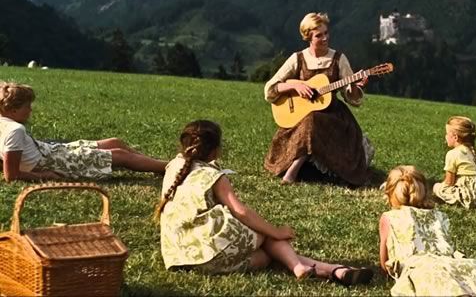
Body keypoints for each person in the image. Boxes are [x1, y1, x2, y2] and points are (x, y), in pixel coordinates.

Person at [157, 119, 373, 284]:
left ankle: (331, 270)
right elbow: (241, 212)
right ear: (215, 150)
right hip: (210, 250)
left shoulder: (173, 167)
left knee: (263, 257)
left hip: (181, 256)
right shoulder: (214, 176)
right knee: (265, 235)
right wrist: (276, 231)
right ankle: (311, 267)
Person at [263, 12, 373, 185]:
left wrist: (355, 86)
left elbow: (352, 98)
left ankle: (293, 171)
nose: (325, 38)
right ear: (308, 37)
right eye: (319, 35)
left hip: (333, 118)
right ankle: (297, 166)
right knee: (310, 119)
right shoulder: (297, 58)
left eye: (326, 33)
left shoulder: (339, 59)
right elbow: (270, 89)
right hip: (300, 117)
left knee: (313, 120)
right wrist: (295, 85)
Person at [0, 82, 167, 182]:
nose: (30, 110)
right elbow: (11, 175)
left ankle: (157, 166)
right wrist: (46, 175)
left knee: (114, 142)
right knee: (120, 155)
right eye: (27, 106)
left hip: (50, 151)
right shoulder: (16, 130)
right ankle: (172, 167)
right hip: (53, 162)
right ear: (13, 110)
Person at [380, 165, 476, 296]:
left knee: (447, 290)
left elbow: (385, 263)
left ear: (390, 192)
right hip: (454, 263)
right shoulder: (439, 216)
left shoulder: (389, 218)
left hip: (423, 270)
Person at [433, 116, 476, 208]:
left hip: (470, 196)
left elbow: (449, 182)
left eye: (447, 134)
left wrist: (440, 187)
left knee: (437, 187)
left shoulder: (452, 154)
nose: (445, 136)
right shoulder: (474, 151)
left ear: (455, 137)